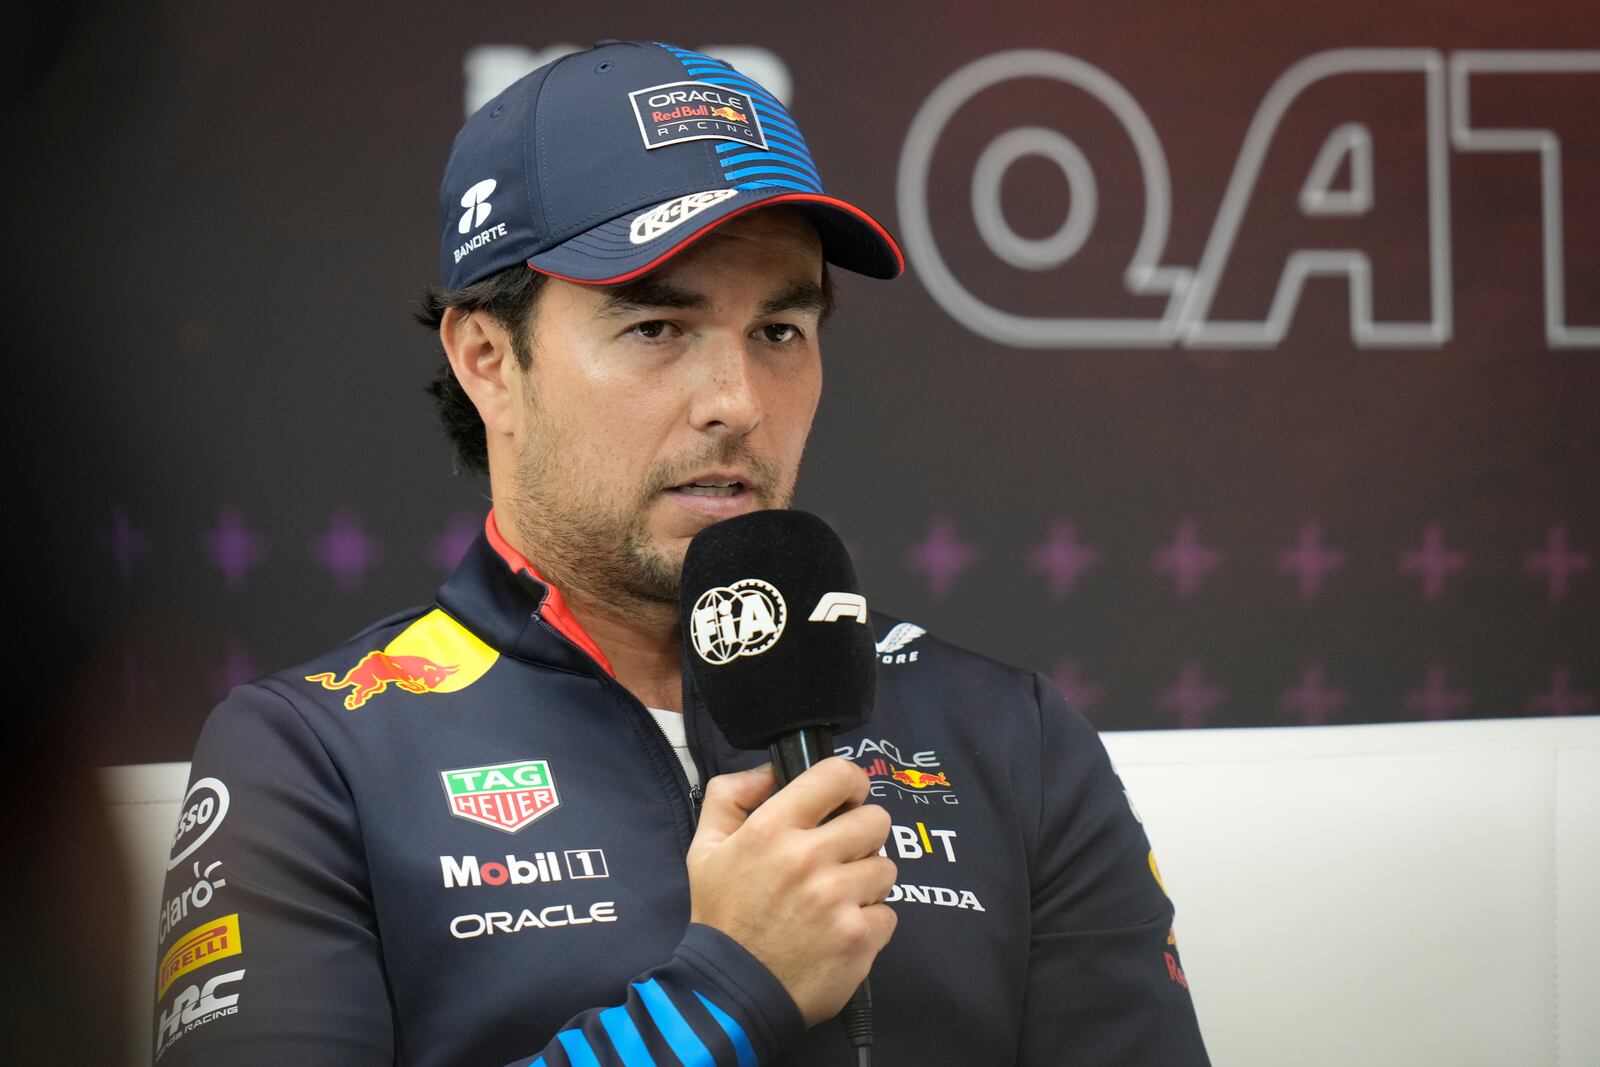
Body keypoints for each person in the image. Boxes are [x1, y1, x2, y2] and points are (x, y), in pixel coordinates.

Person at [152, 39, 1210, 1067]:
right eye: (658, 327)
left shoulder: (1006, 736)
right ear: (488, 358)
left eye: (780, 331)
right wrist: (724, 992)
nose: (738, 404)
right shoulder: (313, 757)